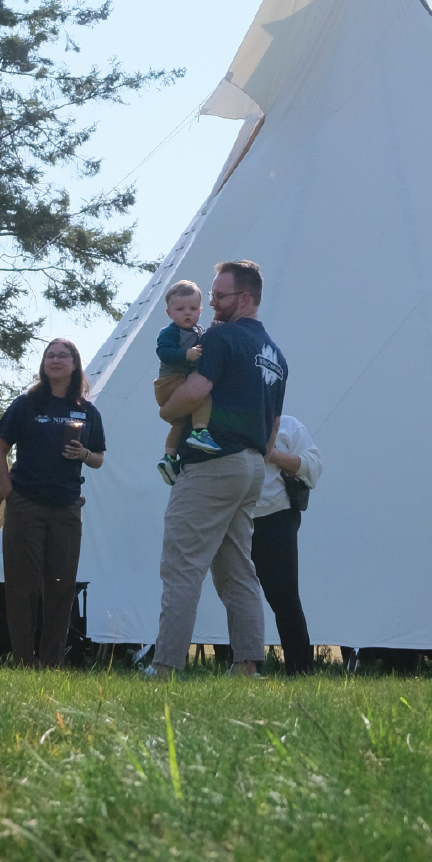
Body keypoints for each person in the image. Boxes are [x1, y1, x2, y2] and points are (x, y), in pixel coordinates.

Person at [148, 259, 288, 679]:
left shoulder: (223, 337)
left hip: (212, 463)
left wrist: (167, 412)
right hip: (251, 468)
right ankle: (247, 665)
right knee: (238, 571)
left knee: (182, 565)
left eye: (219, 296)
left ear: (244, 299)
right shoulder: (276, 356)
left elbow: (196, 390)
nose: (210, 304)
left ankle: (165, 665)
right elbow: (274, 425)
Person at [0, 338, 106, 666]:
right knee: (22, 587)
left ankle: (51, 662)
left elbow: (98, 458)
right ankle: (24, 661)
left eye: (63, 356)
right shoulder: (27, 404)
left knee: (61, 587)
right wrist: (9, 495)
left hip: (67, 507)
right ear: (43, 364)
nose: (55, 360)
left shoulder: (87, 411)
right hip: (25, 503)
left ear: (74, 364)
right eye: (50, 356)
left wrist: (83, 453)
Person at [250, 411, 322, 674]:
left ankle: (299, 668)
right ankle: (242, 664)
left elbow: (313, 468)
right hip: (237, 517)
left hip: (277, 519)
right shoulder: (233, 421)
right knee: (238, 595)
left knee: (284, 597)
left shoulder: (290, 426)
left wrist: (273, 454)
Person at [154, 278, 218, 483]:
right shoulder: (170, 332)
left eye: (192, 308)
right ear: (169, 313)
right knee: (203, 396)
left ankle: (169, 457)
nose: (187, 313)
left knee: (180, 423)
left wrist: (214, 329)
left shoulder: (197, 332)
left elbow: (203, 345)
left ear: (200, 310)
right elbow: (163, 352)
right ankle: (200, 431)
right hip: (169, 381)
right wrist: (185, 355)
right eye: (180, 309)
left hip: (178, 382)